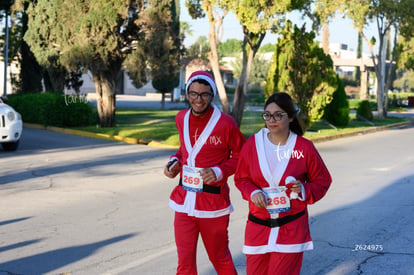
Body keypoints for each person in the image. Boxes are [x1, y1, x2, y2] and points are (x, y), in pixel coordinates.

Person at [234, 92, 332, 275]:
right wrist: (252, 192)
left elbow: (322, 180)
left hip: (291, 229)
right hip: (258, 228)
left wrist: (303, 189)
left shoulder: (303, 148)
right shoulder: (252, 145)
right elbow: (241, 178)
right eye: (268, 115)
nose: (272, 120)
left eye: (278, 115)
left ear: (291, 116)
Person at [164, 70, 246, 275]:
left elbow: (241, 156)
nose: (198, 100)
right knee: (184, 263)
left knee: (219, 258)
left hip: (213, 204)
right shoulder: (181, 118)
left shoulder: (226, 123)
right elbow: (185, 150)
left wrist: (219, 171)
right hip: (184, 202)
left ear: (212, 95)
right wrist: (174, 162)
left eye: (204, 95)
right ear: (187, 93)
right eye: (193, 94)